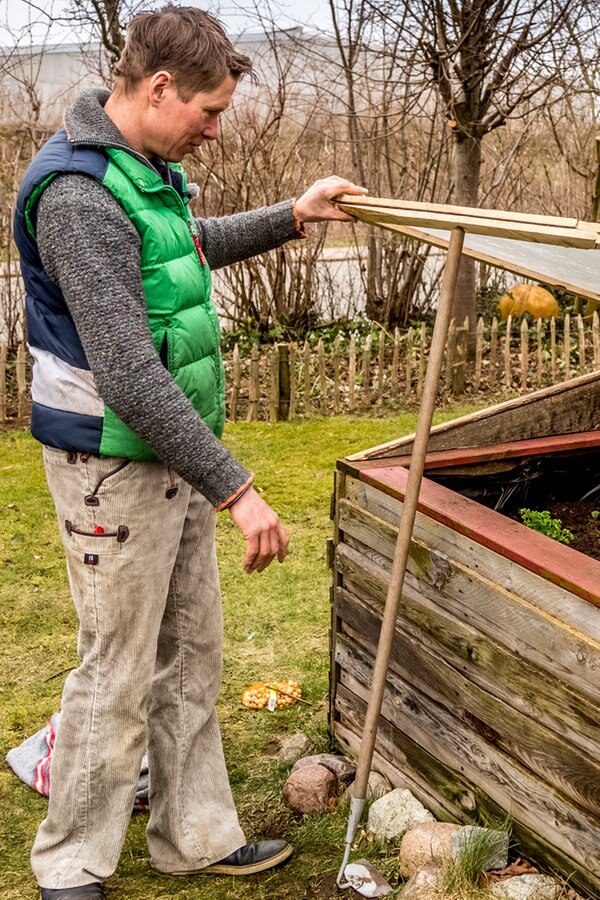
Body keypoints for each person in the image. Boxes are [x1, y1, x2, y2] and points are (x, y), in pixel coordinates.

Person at [13, 5, 366, 898]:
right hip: (110, 465)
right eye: (208, 111)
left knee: (191, 654)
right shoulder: (80, 196)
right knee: (117, 665)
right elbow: (128, 372)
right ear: (159, 86)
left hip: (167, 453)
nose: (215, 129)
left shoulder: (143, 172)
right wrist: (236, 488)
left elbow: (185, 249)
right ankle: (71, 862)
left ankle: (194, 835)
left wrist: (293, 214)